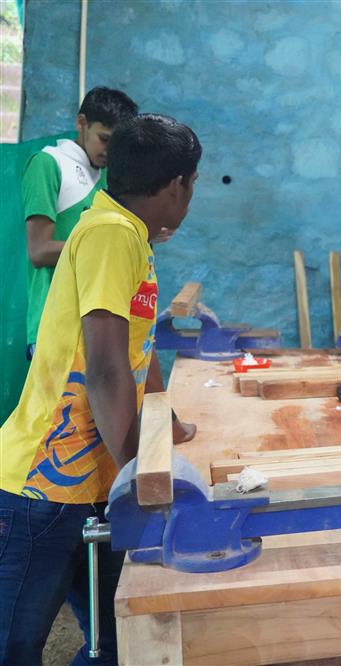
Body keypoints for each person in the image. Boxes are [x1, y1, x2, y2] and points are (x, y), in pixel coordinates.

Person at [0, 113, 202, 665]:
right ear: (178, 185)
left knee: (116, 639)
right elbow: (107, 367)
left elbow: (139, 349)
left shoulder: (127, 232)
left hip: (91, 481)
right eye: (192, 186)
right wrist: (144, 471)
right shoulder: (112, 235)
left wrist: (169, 421)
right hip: (43, 488)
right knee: (14, 645)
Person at [22, 86, 137, 359]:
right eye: (104, 139)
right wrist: (104, 245)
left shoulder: (106, 179)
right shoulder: (48, 164)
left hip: (94, 323)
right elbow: (39, 251)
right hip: (54, 326)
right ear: (81, 123)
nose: (109, 151)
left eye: (117, 144)